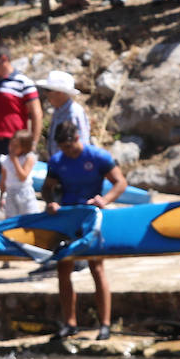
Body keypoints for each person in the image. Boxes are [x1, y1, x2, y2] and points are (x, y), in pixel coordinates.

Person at [42, 120, 128, 340]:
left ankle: (105, 324)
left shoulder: (98, 156)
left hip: (91, 218)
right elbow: (47, 188)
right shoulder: (57, 160)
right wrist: (50, 202)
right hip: (67, 219)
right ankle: (70, 323)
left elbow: (120, 182)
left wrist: (105, 199)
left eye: (69, 147)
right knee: (63, 269)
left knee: (96, 268)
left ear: (77, 138)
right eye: (63, 148)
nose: (67, 152)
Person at [0, 43, 42, 195]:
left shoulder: (24, 82)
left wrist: (33, 143)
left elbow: (36, 114)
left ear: (3, 59)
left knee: (15, 183)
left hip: (15, 142)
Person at [37, 69, 88, 160]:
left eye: (48, 90)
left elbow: (83, 142)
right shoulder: (58, 110)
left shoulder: (74, 112)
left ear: (59, 93)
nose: (45, 93)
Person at [0, 129, 41, 218]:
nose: (12, 148)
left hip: (24, 193)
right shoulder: (5, 160)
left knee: (29, 219)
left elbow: (22, 177)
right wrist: (1, 196)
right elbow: (3, 180)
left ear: (24, 147)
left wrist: (15, 161)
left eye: (16, 146)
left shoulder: (28, 158)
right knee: (10, 220)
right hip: (10, 193)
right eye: (11, 145)